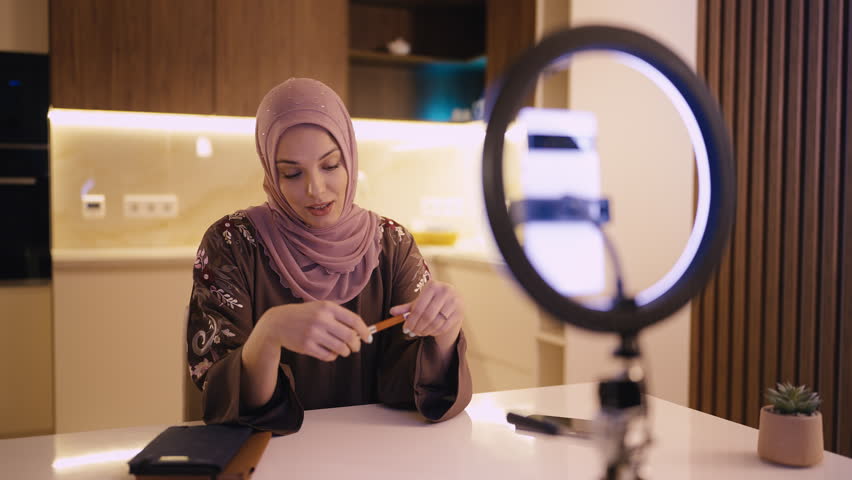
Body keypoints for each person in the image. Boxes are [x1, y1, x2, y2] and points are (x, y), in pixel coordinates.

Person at [186, 78, 472, 434]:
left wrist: (445, 332)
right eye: (291, 173)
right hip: (270, 459)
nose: (315, 190)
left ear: (350, 159)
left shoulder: (392, 243)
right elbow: (218, 397)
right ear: (270, 172)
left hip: (379, 455)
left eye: (330, 165)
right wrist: (269, 334)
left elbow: (412, 389)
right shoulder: (231, 243)